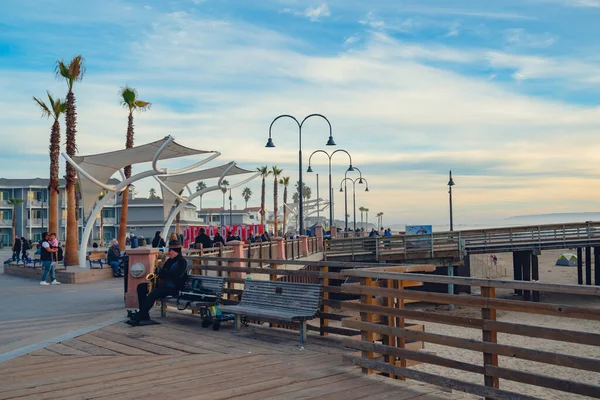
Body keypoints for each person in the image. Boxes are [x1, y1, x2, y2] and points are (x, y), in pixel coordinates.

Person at [131, 237, 188, 323]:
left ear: (176, 251)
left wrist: (163, 272)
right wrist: (159, 272)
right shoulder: (170, 261)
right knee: (141, 287)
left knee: (154, 293)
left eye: (170, 250)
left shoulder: (182, 262)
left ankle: (142, 314)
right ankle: (144, 314)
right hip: (164, 285)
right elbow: (163, 273)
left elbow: (175, 276)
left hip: (174, 287)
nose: (169, 252)